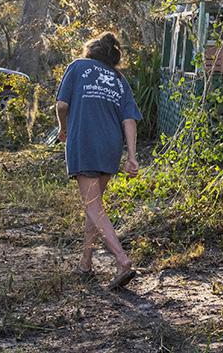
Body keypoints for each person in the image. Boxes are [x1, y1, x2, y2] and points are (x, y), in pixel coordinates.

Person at [55, 32, 141, 291]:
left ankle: (122, 260)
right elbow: (129, 119)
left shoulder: (78, 67)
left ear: (91, 50)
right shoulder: (119, 79)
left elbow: (61, 104)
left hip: (85, 141)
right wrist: (132, 156)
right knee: (95, 206)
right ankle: (86, 261)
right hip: (110, 146)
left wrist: (63, 129)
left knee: (93, 205)